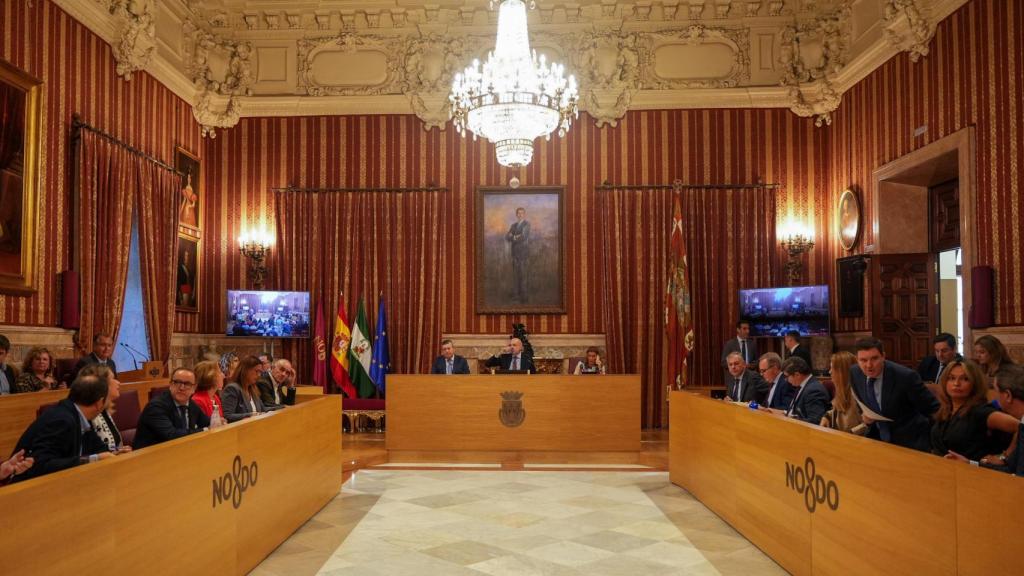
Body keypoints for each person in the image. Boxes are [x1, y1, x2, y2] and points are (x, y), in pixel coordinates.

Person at [11, 374, 118, 481]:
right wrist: (93, 459)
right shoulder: (62, 420)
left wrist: (116, 454)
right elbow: (42, 464)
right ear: (99, 403)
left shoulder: (79, 415)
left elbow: (99, 448)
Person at [850, 337, 940, 452]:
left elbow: (934, 410)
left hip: (911, 443)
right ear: (856, 360)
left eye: (874, 358)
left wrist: (937, 445)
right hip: (876, 439)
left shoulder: (906, 377)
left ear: (883, 356)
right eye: (863, 360)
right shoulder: (854, 373)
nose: (869, 365)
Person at [930, 360, 1018, 461]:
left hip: (973, 472)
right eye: (951, 378)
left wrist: (1005, 457)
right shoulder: (945, 410)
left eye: (965, 379)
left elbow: (1020, 427)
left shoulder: (980, 412)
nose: (956, 383)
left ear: (975, 383)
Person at [132, 368, 210, 449]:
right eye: (177, 382)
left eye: (187, 384)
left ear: (194, 388)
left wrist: (217, 421)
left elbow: (206, 422)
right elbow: (171, 435)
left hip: (178, 451)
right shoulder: (155, 406)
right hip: (149, 456)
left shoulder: (190, 404)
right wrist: (205, 430)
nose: (181, 388)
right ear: (170, 385)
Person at [78, 364, 131, 453]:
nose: (118, 382)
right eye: (113, 379)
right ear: (101, 385)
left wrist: (119, 450)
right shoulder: (89, 414)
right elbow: (88, 453)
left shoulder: (104, 409)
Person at [821, 351, 866, 434]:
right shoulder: (841, 389)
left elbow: (868, 423)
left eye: (832, 368)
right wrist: (827, 416)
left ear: (842, 372)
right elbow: (838, 409)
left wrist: (850, 434)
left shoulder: (860, 393)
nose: (830, 372)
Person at [221, 355, 268, 422]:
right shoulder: (232, 388)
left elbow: (263, 409)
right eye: (256, 371)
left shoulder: (252, 389)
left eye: (260, 372)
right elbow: (227, 416)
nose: (259, 375)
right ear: (245, 370)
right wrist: (251, 415)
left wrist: (281, 408)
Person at [507, 206, 530, 302]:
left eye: (522, 213)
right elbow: (507, 236)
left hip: (523, 253)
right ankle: (516, 295)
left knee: (523, 274)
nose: (520, 215)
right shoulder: (513, 225)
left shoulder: (527, 224)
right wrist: (515, 236)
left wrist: (513, 237)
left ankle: (524, 296)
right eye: (518, 213)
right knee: (515, 274)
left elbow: (523, 237)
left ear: (524, 214)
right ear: (516, 215)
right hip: (514, 253)